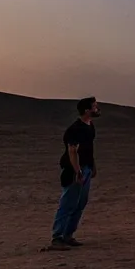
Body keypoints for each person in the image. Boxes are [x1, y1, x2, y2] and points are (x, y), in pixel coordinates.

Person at [48, 96, 100, 250]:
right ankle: (57, 238)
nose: (97, 109)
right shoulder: (75, 129)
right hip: (74, 170)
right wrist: (78, 171)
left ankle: (68, 235)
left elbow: (89, 149)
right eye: (95, 107)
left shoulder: (90, 126)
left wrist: (92, 166)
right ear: (87, 110)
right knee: (68, 203)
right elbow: (72, 151)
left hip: (86, 168)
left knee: (80, 203)